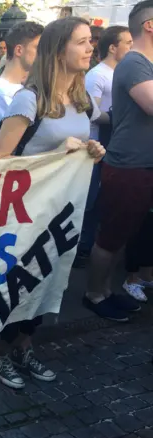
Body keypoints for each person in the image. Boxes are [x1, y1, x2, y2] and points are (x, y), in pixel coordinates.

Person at [0, 17, 105, 389]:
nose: (90, 49)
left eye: (91, 42)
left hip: (62, 213)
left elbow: (75, 147)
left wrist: (91, 151)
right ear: (58, 50)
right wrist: (56, 155)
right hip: (25, 215)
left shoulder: (82, 100)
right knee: (19, 285)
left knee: (48, 283)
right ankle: (0, 353)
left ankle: (24, 346)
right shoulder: (29, 99)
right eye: (82, 42)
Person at [84, 0, 153, 321]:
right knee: (112, 234)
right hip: (129, 163)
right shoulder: (135, 63)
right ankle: (94, 294)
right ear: (149, 25)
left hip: (142, 163)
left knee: (125, 234)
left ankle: (109, 290)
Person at [76, 25, 132, 269]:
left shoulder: (122, 72)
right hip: (94, 146)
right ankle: (81, 248)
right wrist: (123, 116)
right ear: (112, 47)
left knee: (102, 200)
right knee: (89, 200)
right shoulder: (97, 75)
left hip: (112, 144)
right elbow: (91, 113)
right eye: (128, 42)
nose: (132, 47)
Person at [0, 21, 43, 156]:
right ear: (19, 50)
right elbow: (16, 144)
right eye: (38, 48)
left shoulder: (21, 87)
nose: (43, 54)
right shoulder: (2, 93)